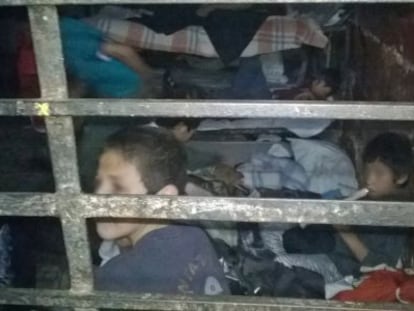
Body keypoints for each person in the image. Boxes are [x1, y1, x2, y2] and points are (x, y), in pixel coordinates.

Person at [93, 126, 229, 295]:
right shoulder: (195, 236)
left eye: (118, 186)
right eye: (98, 184)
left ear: (163, 199)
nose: (97, 197)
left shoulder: (115, 278)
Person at [330, 132, 413, 276]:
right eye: (367, 170)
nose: (369, 179)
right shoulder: (366, 202)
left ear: (401, 177)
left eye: (379, 173)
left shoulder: (400, 216)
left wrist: (345, 232)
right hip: (329, 256)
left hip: (343, 272)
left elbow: (385, 268)